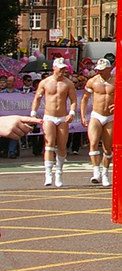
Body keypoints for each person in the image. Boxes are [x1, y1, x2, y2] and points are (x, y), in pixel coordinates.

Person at [29, 57, 77, 188]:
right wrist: (33, 112)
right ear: (54, 68)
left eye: (64, 69)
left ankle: (59, 173)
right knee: (49, 143)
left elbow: (73, 100)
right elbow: (37, 98)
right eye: (60, 69)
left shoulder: (68, 83)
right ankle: (48, 173)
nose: (62, 72)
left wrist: (72, 113)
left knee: (62, 145)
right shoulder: (45, 82)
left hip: (62, 117)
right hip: (49, 116)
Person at [80, 58, 114, 186]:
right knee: (93, 142)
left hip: (111, 117)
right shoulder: (92, 81)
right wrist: (83, 116)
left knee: (107, 147)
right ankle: (96, 172)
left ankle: (105, 172)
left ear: (109, 69)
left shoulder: (116, 80)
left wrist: (118, 104)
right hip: (96, 115)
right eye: (98, 70)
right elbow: (84, 99)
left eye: (102, 70)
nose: (100, 72)